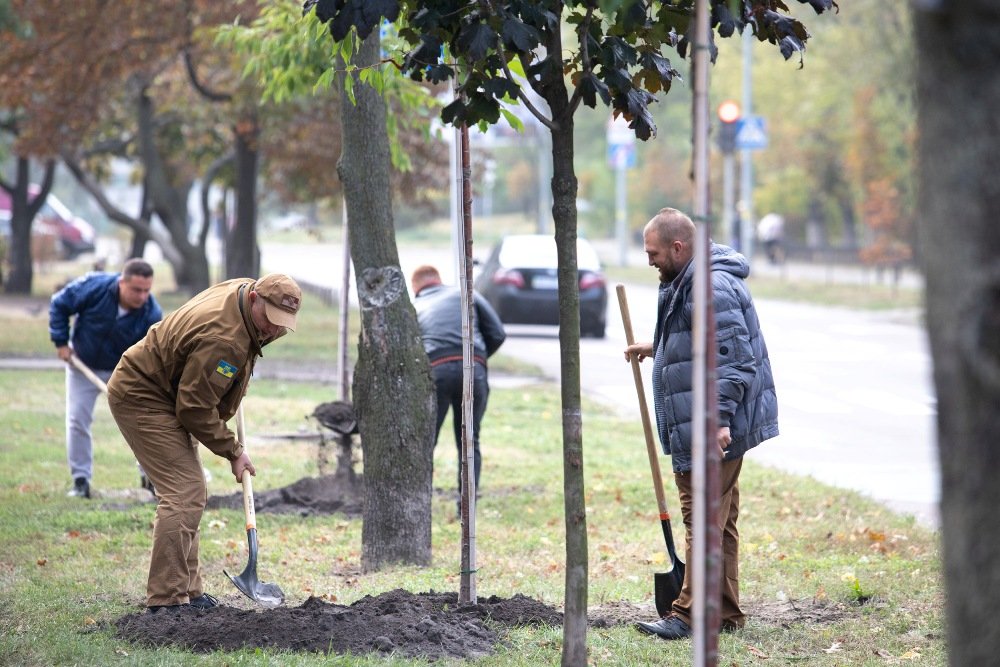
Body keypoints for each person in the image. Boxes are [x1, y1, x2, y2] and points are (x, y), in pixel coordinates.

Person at [624, 207, 778, 640]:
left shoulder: (711, 287)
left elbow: (733, 362)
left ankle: (689, 616)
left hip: (713, 424)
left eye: (653, 253)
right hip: (711, 419)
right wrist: (659, 347)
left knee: (703, 518)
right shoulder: (693, 281)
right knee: (720, 520)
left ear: (678, 247)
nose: (649, 260)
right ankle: (724, 613)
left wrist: (719, 421)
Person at [106, 273, 302, 612]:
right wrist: (234, 451)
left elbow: (199, 394)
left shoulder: (241, 293)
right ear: (255, 298)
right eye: (269, 320)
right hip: (144, 395)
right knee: (184, 491)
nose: (273, 330)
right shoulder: (225, 340)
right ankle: (166, 600)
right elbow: (194, 409)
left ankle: (189, 592)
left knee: (191, 491)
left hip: (170, 390)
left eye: (282, 323)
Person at [49, 258, 161, 499]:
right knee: (77, 419)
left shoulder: (151, 313)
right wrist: (61, 342)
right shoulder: (94, 287)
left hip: (123, 371)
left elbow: (151, 354)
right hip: (82, 363)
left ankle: (149, 477)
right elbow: (59, 304)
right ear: (122, 282)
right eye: (136, 290)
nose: (142, 296)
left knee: (141, 422)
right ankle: (81, 482)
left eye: (146, 290)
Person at [411, 265, 506, 506]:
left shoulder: (415, 307)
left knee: (426, 441)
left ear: (416, 287)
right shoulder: (466, 293)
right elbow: (497, 333)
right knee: (469, 442)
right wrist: (478, 360)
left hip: (436, 370)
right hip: (474, 370)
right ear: (438, 279)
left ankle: (421, 505)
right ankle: (466, 508)